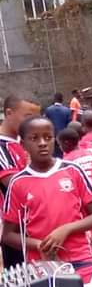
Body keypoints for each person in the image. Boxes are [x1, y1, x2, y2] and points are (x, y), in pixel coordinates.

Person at [2, 116, 92, 283]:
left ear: (54, 140)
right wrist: (39, 245)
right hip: (42, 266)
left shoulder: (73, 170)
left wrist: (66, 229)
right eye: (34, 138)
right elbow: (8, 236)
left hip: (81, 259)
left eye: (47, 137)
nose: (42, 143)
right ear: (23, 144)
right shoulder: (18, 183)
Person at [0, 95, 41, 268]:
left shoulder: (21, 143)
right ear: (9, 113)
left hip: (33, 220)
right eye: (27, 116)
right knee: (23, 277)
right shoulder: (2, 147)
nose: (32, 123)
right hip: (15, 228)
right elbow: (15, 185)